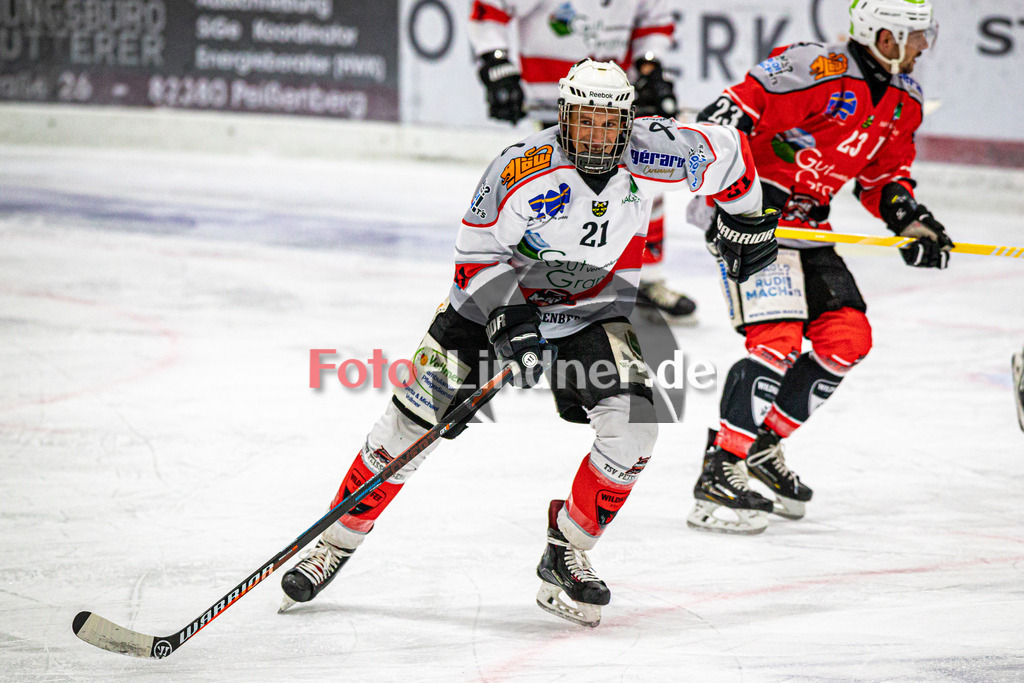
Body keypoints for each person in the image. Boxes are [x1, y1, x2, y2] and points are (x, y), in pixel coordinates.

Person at [279, 60, 778, 626]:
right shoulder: (521, 166)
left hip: (593, 313)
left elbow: (731, 152)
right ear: (563, 116)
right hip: (485, 311)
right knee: (409, 426)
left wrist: (745, 221)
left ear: (627, 122)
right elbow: (473, 256)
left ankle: (567, 551)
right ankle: (334, 544)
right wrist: (512, 321)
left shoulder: (655, 150)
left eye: (608, 123)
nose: (596, 135)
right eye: (584, 120)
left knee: (636, 429)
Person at [684, 0, 954, 534]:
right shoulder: (817, 67)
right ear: (883, 35)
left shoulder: (905, 98)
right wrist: (731, 199)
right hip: (752, 221)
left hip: (809, 227)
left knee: (847, 338)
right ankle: (719, 469)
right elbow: (723, 119)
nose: (925, 46)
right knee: (777, 342)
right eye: (916, 35)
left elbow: (883, 177)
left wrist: (910, 220)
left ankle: (761, 446)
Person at [467, 0, 698, 323]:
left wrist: (649, 65)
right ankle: (543, 282)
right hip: (557, 94)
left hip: (615, 97)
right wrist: (496, 61)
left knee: (641, 179)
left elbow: (654, 19)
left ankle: (645, 278)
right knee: (559, 190)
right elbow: (491, 8)